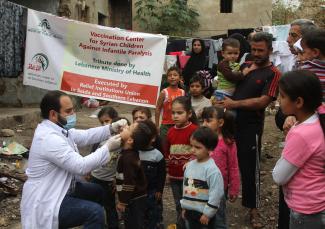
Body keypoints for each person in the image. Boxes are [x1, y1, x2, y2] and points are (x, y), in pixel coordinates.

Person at [20, 90, 126, 229]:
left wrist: (111, 128)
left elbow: (86, 135)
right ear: (53, 114)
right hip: (46, 198)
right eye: (68, 111)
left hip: (62, 187)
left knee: (99, 191)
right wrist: (108, 147)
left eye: (73, 110)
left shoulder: (60, 129)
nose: (73, 115)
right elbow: (81, 166)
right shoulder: (49, 138)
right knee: (94, 212)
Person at [217, 32, 281, 228]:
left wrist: (234, 104)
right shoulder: (244, 66)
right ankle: (217, 204)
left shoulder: (274, 73)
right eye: (253, 49)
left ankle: (253, 210)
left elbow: (263, 101)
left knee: (249, 168)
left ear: (270, 50)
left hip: (251, 127)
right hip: (228, 124)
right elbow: (227, 82)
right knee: (221, 163)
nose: (256, 53)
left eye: (260, 50)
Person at [273, 19, 317, 229]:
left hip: (306, 208)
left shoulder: (304, 131)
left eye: (294, 36)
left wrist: (295, 123)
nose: (289, 40)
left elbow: (279, 175)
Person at [272, 70, 325, 229]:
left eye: (282, 96)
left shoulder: (301, 134)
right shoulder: (319, 120)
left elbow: (279, 176)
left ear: (299, 102)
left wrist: (289, 141)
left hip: (306, 209)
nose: (278, 100)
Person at [202, 106, 240, 228]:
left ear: (221, 122)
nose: (204, 124)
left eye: (208, 121)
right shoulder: (201, 140)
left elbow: (233, 167)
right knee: (202, 217)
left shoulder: (228, 143)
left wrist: (234, 188)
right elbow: (195, 156)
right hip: (201, 186)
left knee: (218, 219)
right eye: (203, 120)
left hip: (219, 188)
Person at [116, 120, 158, 229]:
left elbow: (129, 181)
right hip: (135, 197)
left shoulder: (128, 158)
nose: (125, 127)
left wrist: (123, 202)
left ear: (130, 140)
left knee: (133, 224)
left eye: (128, 128)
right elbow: (124, 175)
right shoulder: (129, 154)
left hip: (133, 199)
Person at [180, 127, 224, 229]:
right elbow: (186, 187)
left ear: (210, 149)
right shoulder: (189, 166)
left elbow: (216, 194)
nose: (193, 150)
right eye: (192, 146)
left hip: (203, 214)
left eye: (198, 147)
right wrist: (184, 206)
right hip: (189, 212)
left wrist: (208, 213)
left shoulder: (212, 170)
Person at [89, 107, 125, 229]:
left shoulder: (122, 139)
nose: (105, 124)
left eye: (107, 120)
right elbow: (92, 156)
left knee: (110, 206)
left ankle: (113, 226)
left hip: (110, 181)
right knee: (95, 205)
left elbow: (123, 163)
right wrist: (88, 171)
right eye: (102, 122)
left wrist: (117, 179)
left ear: (115, 120)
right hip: (95, 177)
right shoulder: (99, 138)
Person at [165, 96, 198, 228]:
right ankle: (181, 225)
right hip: (174, 176)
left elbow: (198, 153)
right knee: (178, 203)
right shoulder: (170, 132)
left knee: (190, 204)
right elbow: (167, 153)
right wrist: (168, 172)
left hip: (190, 177)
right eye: (173, 113)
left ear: (189, 113)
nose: (175, 116)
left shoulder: (194, 130)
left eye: (179, 113)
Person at [138, 120, 166, 229]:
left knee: (153, 215)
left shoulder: (157, 155)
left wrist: (160, 189)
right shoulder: (134, 153)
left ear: (153, 138)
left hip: (152, 191)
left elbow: (161, 174)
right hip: (138, 192)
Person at [155, 67, 185, 142]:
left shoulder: (182, 92)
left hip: (179, 125)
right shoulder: (164, 92)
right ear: (167, 78)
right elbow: (158, 108)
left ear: (180, 78)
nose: (172, 77)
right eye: (170, 75)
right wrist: (157, 125)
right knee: (164, 147)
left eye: (175, 75)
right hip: (166, 126)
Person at [300, 29, 325, 101]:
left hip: (312, 109)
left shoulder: (305, 70)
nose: (302, 56)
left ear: (315, 52)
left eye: (303, 52)